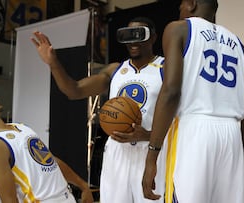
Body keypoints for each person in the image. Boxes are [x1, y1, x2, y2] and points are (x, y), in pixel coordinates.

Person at [31, 17, 167, 203]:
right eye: (128, 35)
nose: (133, 41)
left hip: (151, 151)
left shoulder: (166, 68)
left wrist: (148, 135)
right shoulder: (115, 70)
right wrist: (53, 62)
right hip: (117, 152)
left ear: (153, 38)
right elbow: (74, 90)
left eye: (139, 34)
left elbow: (179, 117)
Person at [142, 0, 244, 203]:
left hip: (194, 132)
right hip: (231, 137)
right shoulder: (237, 43)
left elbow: (170, 92)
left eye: (180, 5)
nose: (179, 9)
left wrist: (152, 156)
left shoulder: (179, 29)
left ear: (191, 3)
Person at [0, 91, 94, 203]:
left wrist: (82, 185)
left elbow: (49, 161)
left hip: (67, 197)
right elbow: (9, 199)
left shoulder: (19, 127)